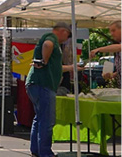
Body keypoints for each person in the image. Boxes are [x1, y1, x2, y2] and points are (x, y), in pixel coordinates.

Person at [26, 22, 71, 157]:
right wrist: (44, 61)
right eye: (68, 35)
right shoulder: (51, 38)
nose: (67, 38)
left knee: (39, 118)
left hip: (35, 84)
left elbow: (56, 67)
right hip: (43, 85)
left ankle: (36, 150)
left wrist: (72, 67)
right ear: (63, 31)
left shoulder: (51, 39)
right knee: (47, 120)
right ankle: (45, 153)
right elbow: (47, 45)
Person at [90, 20, 121, 88]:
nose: (111, 34)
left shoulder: (118, 47)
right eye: (110, 31)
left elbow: (119, 47)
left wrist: (98, 49)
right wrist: (113, 75)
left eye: (113, 30)